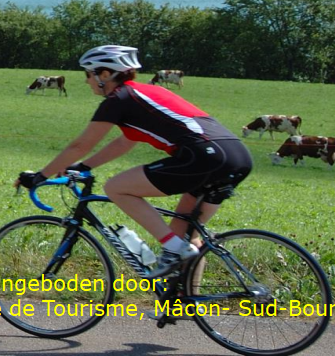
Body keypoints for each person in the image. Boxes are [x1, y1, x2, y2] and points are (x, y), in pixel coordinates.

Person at [15, 45, 252, 279]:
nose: (87, 81)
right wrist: (84, 166)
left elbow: (81, 145)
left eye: (88, 74)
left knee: (117, 188)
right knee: (186, 236)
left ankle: (172, 248)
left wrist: (40, 176)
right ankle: (185, 305)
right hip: (236, 156)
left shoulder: (119, 98)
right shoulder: (143, 94)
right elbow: (125, 142)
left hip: (203, 156)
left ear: (105, 74)